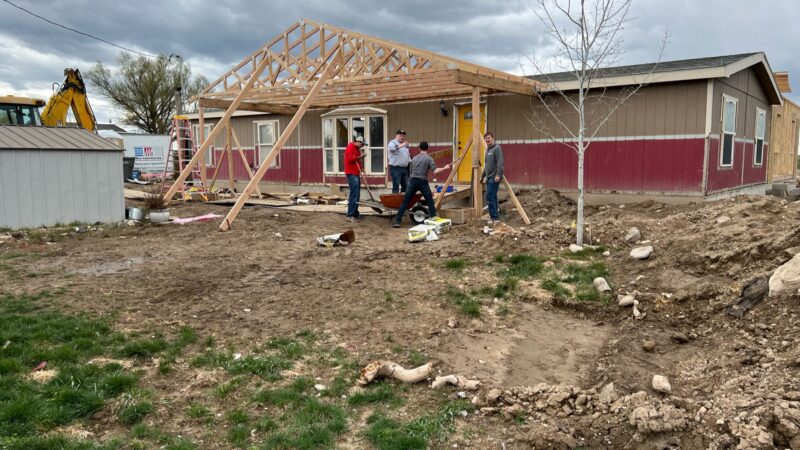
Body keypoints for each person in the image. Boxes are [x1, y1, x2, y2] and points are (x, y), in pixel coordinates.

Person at [393, 141, 451, 227]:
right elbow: (435, 171)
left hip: (412, 181)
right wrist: (445, 168)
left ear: (419, 148)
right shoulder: (429, 158)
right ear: (427, 148)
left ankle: (397, 221)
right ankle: (434, 219)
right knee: (430, 201)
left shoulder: (414, 159)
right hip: (422, 182)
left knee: (405, 201)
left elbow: (411, 171)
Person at [480, 132, 504, 224]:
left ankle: (495, 218)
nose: (487, 139)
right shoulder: (487, 150)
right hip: (488, 177)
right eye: (485, 138)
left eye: (488, 138)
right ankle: (493, 216)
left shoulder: (497, 148)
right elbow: (487, 166)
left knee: (490, 196)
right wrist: (482, 177)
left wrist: (498, 174)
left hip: (495, 177)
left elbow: (500, 163)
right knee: (491, 197)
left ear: (493, 138)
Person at [344, 136, 368, 223]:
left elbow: (357, 162)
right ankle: (350, 215)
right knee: (354, 194)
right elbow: (350, 159)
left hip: (356, 173)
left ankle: (355, 213)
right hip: (351, 173)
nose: (362, 146)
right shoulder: (350, 148)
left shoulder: (357, 149)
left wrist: (361, 168)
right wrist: (361, 156)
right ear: (358, 141)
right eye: (362, 144)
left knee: (357, 194)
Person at [387, 129, 411, 193]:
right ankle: (395, 202)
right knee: (396, 187)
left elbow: (407, 155)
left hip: (405, 168)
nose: (402, 137)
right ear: (397, 135)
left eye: (403, 136)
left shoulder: (405, 145)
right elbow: (392, 148)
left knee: (406, 186)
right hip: (395, 168)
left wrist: (410, 161)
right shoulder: (392, 142)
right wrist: (402, 145)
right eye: (401, 135)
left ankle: (403, 202)